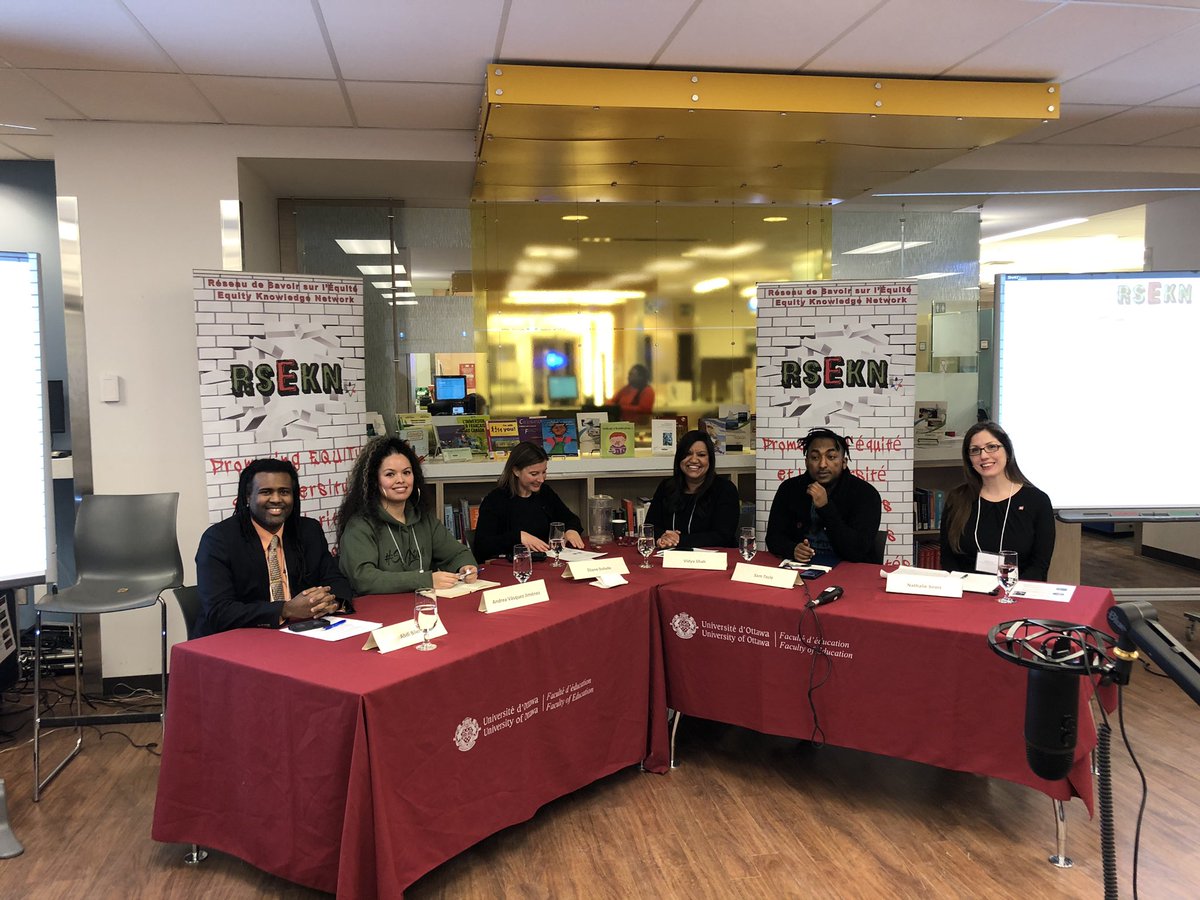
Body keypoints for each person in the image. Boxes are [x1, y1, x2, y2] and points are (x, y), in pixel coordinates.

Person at [195, 458, 352, 637]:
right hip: (237, 639)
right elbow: (219, 612)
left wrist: (331, 602)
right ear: (248, 497)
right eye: (266, 492)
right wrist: (285, 610)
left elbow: (336, 581)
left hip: (301, 633)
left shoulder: (309, 531)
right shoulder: (218, 539)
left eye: (284, 492)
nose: (276, 499)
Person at [337, 436, 479, 594]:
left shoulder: (423, 518)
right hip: (380, 611)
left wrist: (465, 567)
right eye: (390, 474)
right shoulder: (360, 525)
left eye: (406, 472)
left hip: (423, 604)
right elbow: (363, 579)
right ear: (374, 481)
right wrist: (425, 580)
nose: (400, 480)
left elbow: (457, 553)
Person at [940, 421, 1055, 581]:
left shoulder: (1037, 501)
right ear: (969, 459)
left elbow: (1039, 566)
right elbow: (948, 559)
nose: (984, 455)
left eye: (992, 447)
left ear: (1007, 451)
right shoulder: (957, 499)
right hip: (966, 594)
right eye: (975, 450)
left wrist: (1010, 593)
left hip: (1017, 596)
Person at [766, 428, 883, 565]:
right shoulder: (790, 489)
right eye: (815, 458)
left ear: (844, 462)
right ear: (806, 462)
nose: (822, 464)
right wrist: (792, 549)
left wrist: (825, 508)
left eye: (831, 457)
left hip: (849, 572)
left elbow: (856, 551)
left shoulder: (865, 494)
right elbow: (773, 538)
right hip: (801, 568)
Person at [472, 441, 585, 559]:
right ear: (516, 471)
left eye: (544, 472)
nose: (541, 479)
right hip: (511, 567)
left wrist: (571, 530)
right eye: (534, 473)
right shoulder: (495, 500)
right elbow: (482, 546)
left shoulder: (545, 493)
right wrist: (518, 537)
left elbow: (570, 519)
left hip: (544, 561)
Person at [646, 430, 739, 550]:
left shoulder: (725, 489)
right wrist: (663, 537)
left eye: (701, 455)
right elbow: (650, 527)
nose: (694, 460)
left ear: (710, 459)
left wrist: (678, 540)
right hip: (668, 558)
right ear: (679, 458)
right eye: (687, 453)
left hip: (712, 561)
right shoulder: (666, 487)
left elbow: (723, 536)